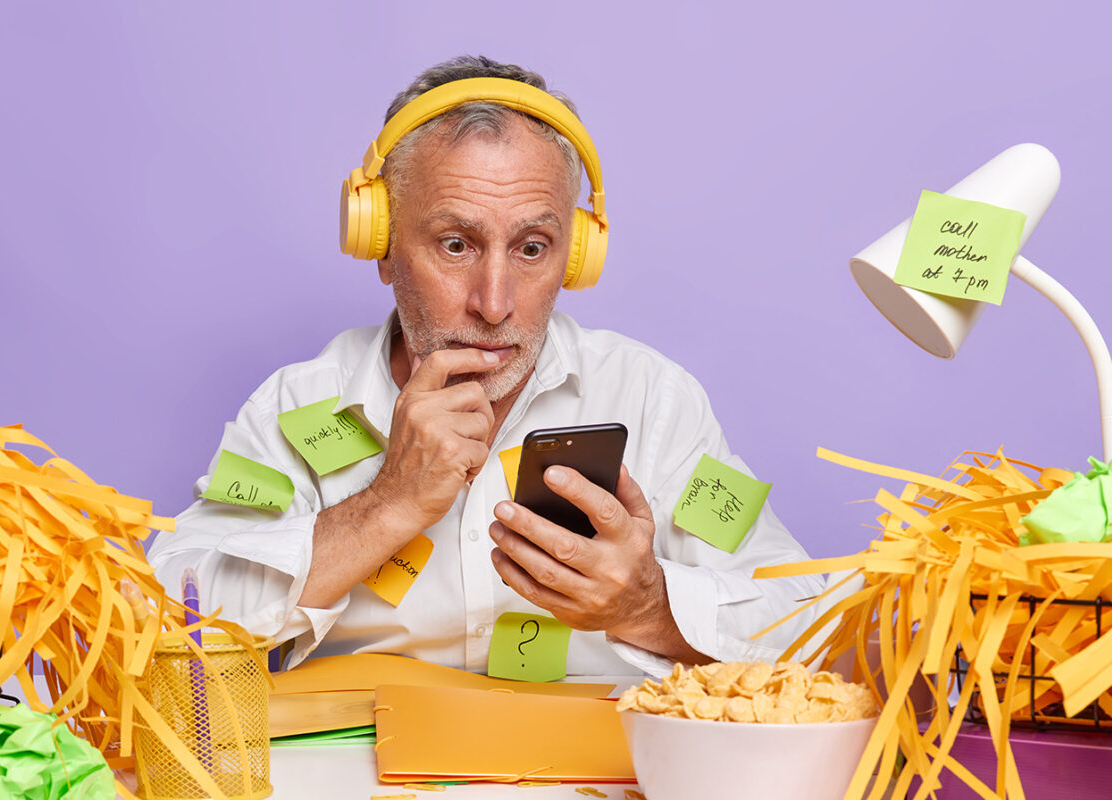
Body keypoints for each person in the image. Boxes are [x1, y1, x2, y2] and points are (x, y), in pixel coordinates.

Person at [148, 56, 822, 677]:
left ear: (577, 257)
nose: (494, 304)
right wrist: (386, 505)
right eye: (454, 243)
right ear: (379, 243)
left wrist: (650, 608)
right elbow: (167, 614)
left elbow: (805, 613)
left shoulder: (651, 399)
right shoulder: (298, 411)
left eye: (532, 248)